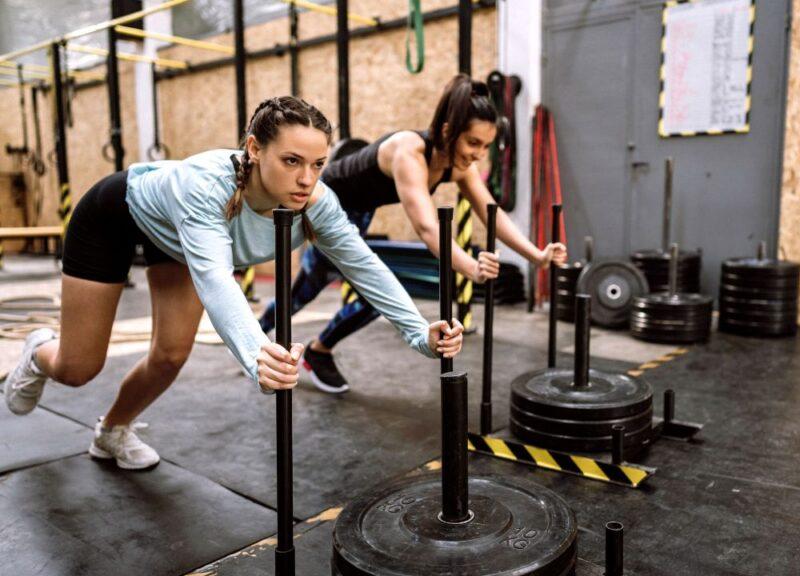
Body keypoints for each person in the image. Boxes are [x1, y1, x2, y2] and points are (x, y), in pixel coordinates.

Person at [3, 96, 463, 470]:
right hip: (114, 217)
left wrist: (418, 331)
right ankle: (40, 348)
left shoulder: (315, 199)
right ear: (254, 149)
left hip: (176, 240)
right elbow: (216, 279)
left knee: (169, 356)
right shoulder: (209, 187)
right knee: (78, 368)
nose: (306, 178)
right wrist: (257, 355)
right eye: (291, 160)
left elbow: (362, 263)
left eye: (318, 163)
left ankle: (110, 432)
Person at [259, 75, 566, 393]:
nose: (479, 154)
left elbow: (492, 213)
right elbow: (427, 226)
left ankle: (311, 348)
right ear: (448, 132)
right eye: (473, 143)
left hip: (358, 214)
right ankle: (272, 340)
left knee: (344, 293)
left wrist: (538, 255)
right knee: (319, 288)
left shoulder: (459, 163)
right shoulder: (409, 152)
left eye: (486, 146)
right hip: (326, 204)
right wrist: (471, 268)